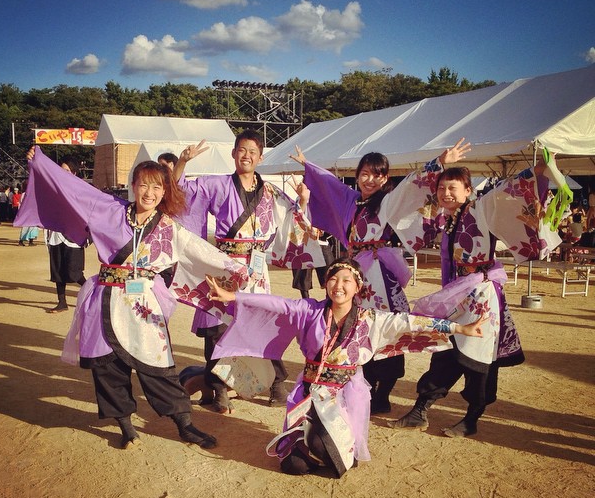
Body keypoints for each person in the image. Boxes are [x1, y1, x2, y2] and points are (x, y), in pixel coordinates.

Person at [15, 147, 250, 450]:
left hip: (143, 307)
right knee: (107, 369)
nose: (149, 192)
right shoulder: (108, 210)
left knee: (159, 368)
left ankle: (185, 425)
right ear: (133, 185)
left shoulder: (169, 229)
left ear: (165, 190)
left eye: (157, 186)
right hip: (104, 300)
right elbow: (74, 189)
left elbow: (202, 252)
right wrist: (41, 164)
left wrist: (238, 270)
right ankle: (126, 428)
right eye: (143, 184)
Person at [207, 258, 488, 477]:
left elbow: (413, 322)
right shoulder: (310, 311)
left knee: (332, 455)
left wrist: (459, 327)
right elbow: (278, 304)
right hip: (308, 393)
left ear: (357, 287)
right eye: (332, 278)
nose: (338, 285)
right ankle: (314, 448)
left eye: (346, 280)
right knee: (293, 466)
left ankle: (329, 448)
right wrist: (234, 298)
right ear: (326, 283)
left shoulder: (372, 319)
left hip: (345, 393)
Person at [382, 138, 561, 437]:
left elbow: (511, 193)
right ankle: (419, 410)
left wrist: (539, 171)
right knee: (445, 349)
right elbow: (406, 200)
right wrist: (438, 163)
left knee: (478, 357)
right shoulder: (444, 218)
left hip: (480, 294)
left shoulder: (482, 208)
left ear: (468, 190)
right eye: (441, 188)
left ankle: (471, 418)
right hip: (456, 294)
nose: (445, 193)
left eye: (453, 188)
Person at [173, 129, 326, 413]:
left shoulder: (270, 191)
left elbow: (293, 218)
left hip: (255, 269)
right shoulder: (216, 184)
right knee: (217, 329)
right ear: (233, 153)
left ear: (260, 157)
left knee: (262, 326)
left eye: (252, 152)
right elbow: (180, 193)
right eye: (242, 150)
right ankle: (217, 388)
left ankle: (277, 385)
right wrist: (182, 163)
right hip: (224, 266)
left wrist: (303, 200)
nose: (246, 156)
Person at [289, 148, 412, 415]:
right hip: (356, 275)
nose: (370, 180)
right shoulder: (352, 202)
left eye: (377, 175)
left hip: (382, 277)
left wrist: (438, 164)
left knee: (388, 331)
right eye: (365, 174)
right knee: (357, 330)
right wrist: (309, 165)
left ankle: (384, 393)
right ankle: (364, 388)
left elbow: (413, 187)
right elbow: (330, 185)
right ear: (357, 176)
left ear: (386, 178)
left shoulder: (389, 201)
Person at [44, 155, 87, 314]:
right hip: (56, 234)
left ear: (74, 172)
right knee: (57, 270)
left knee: (74, 272)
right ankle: (62, 302)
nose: (64, 173)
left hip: (73, 236)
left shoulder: (82, 189)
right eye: (62, 170)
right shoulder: (54, 188)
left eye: (68, 170)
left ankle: (93, 292)